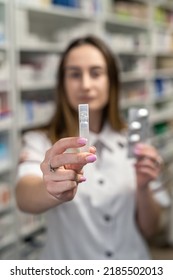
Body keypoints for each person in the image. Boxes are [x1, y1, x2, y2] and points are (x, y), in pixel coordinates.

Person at [15, 35, 169, 260]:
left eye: (96, 73)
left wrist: (144, 188)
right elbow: (24, 196)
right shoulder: (39, 141)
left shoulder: (134, 141)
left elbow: (150, 229)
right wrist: (50, 187)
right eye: (75, 74)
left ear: (111, 81)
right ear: (62, 83)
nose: (86, 85)